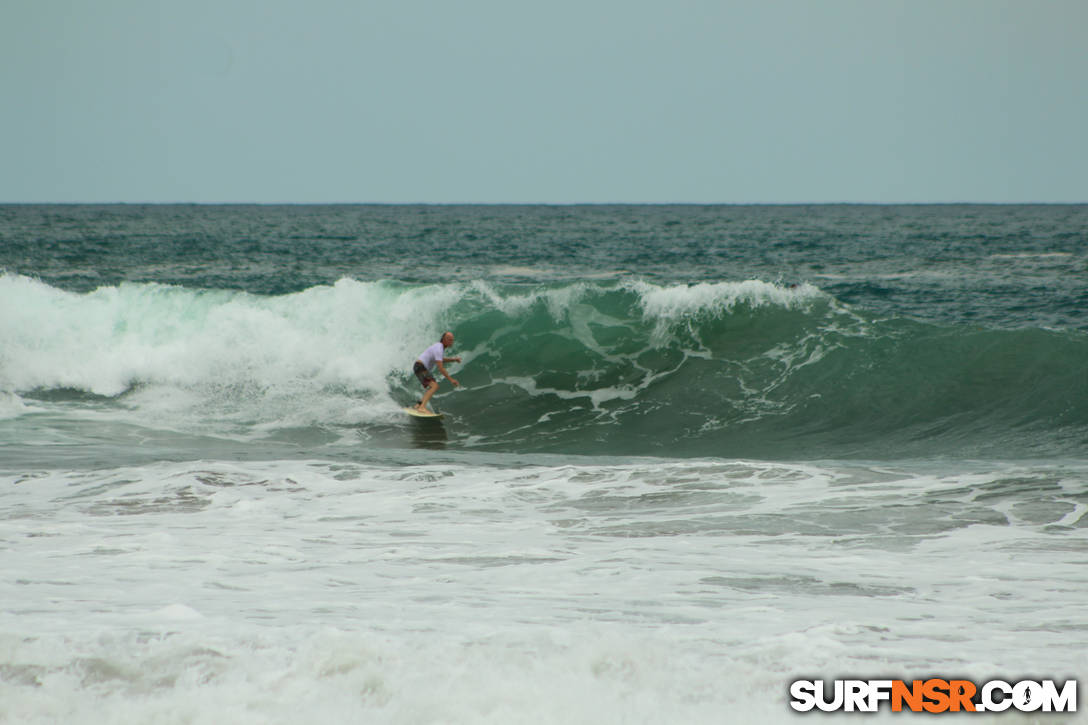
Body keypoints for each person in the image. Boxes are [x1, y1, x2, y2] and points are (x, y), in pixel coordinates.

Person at [412, 331, 461, 413]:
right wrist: (451, 380)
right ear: (444, 340)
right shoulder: (439, 348)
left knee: (432, 386)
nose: (451, 342)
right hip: (420, 367)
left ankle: (418, 405)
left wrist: (454, 359)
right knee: (434, 386)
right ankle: (422, 407)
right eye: (449, 340)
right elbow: (441, 368)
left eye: (452, 340)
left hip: (419, 367)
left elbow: (440, 359)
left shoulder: (439, 347)